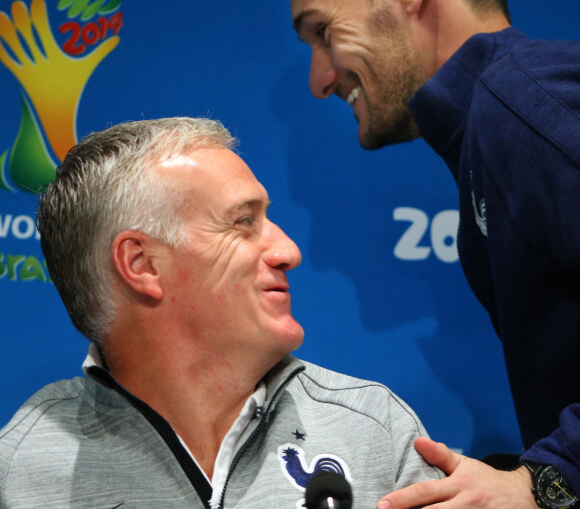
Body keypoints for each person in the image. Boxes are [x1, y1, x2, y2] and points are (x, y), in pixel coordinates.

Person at [270, 0, 580, 508]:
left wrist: (553, 479)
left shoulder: (524, 105)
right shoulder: (498, 120)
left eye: (323, 31)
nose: (319, 78)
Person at [0, 117, 441, 508]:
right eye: (242, 222)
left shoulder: (373, 429)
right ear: (142, 264)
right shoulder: (22, 466)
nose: (289, 251)